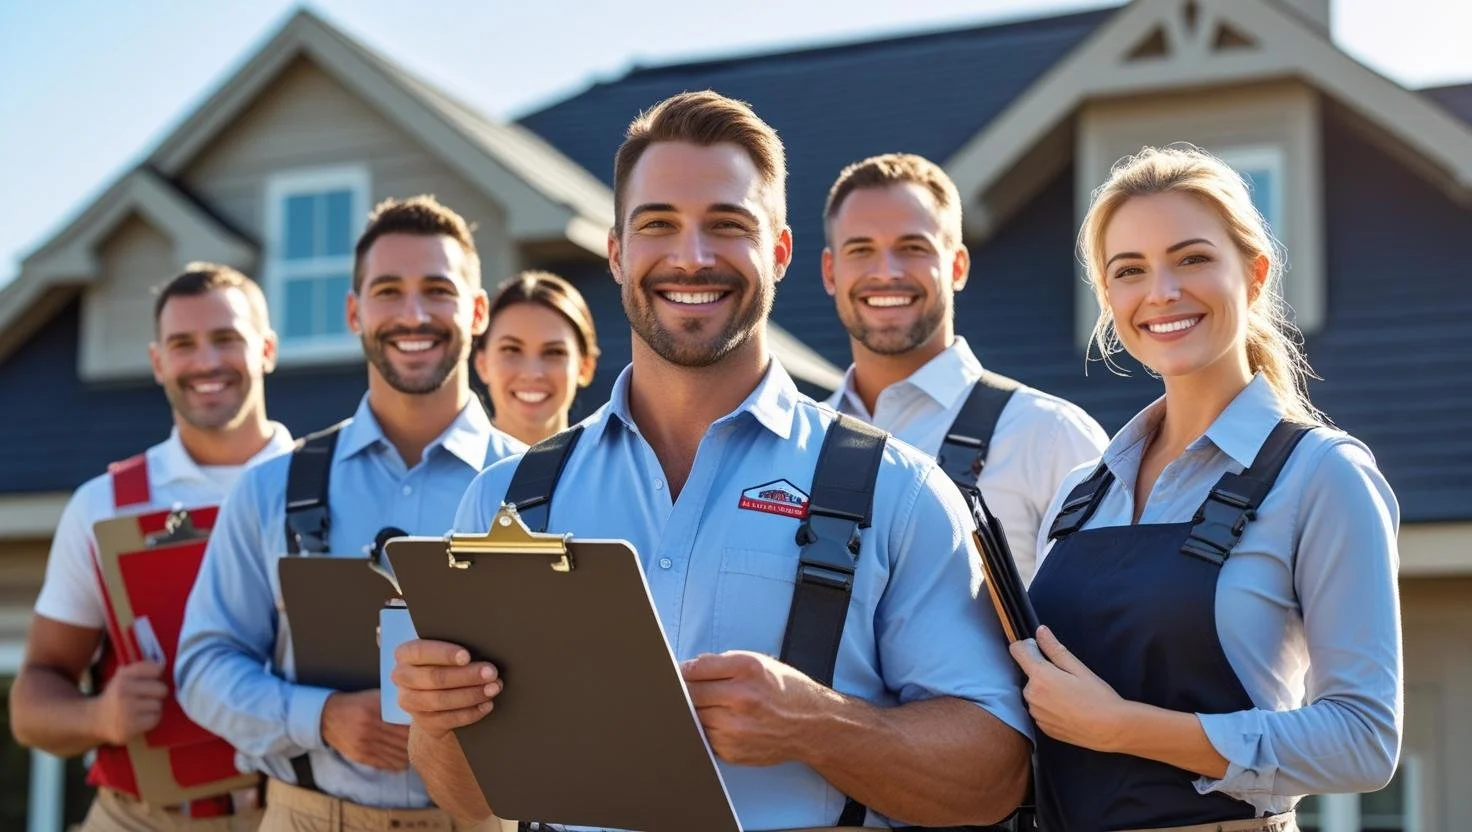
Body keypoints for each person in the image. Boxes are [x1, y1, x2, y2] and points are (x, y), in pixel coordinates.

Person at [393, 90, 1033, 832]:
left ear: (782, 253)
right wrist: (437, 721)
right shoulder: (504, 503)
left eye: (728, 226)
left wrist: (820, 726)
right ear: (617, 251)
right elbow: (471, 800)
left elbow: (995, 778)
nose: (691, 257)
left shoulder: (899, 491)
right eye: (658, 225)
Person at [1011, 145, 1402, 832]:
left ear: (1254, 275)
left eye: (1192, 258)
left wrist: (1127, 728)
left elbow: (1365, 742)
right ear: (1110, 299)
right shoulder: (1081, 493)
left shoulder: (1321, 475)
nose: (1161, 291)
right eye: (1129, 271)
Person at [175, 195, 520, 831]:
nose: (412, 314)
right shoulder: (269, 489)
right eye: (388, 291)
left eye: (437, 290)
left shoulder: (540, 487)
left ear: (476, 312)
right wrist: (323, 716)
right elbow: (202, 667)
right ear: (355, 312)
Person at [11, 264, 294, 831]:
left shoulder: (323, 486)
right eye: (183, 344)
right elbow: (31, 703)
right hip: (141, 818)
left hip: (293, 815)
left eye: (226, 339)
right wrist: (98, 715)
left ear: (265, 348)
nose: (207, 362)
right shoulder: (104, 505)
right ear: (158, 361)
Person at [821, 153, 1107, 580]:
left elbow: (1110, 624)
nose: (886, 271)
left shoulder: (1049, 438)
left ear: (958, 265)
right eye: (861, 250)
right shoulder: (800, 441)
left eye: (912, 247)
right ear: (830, 272)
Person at [471, 270, 600, 446]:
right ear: (481, 363)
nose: (532, 373)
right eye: (511, 349)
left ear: (586, 366)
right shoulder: (448, 471)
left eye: (554, 352)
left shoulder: (615, 471)